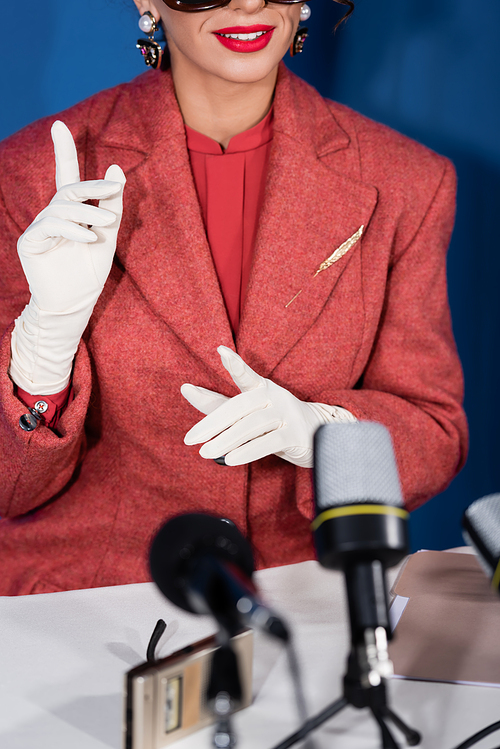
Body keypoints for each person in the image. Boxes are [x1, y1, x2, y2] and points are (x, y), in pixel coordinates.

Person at [0, 0, 468, 595]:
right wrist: (44, 343)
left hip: (300, 607)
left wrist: (330, 435)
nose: (248, 1)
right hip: (83, 608)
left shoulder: (407, 182)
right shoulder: (28, 175)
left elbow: (434, 429)